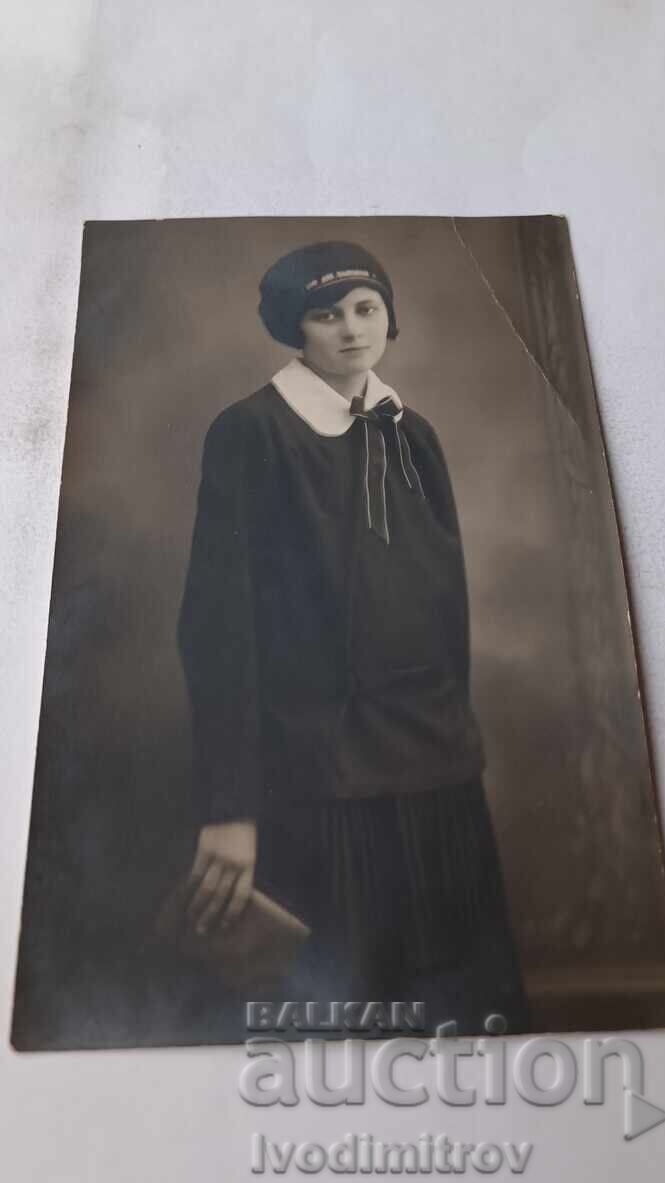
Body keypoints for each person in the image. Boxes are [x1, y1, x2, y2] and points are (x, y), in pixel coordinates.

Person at [176, 240, 529, 1034]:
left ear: (388, 317)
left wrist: (453, 735)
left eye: (365, 309)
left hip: (436, 765)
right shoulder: (251, 434)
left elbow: (445, 612)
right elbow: (217, 628)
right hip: (322, 773)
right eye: (324, 315)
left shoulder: (413, 434)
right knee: (347, 1012)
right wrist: (229, 804)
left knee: (465, 1008)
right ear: (294, 331)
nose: (349, 330)